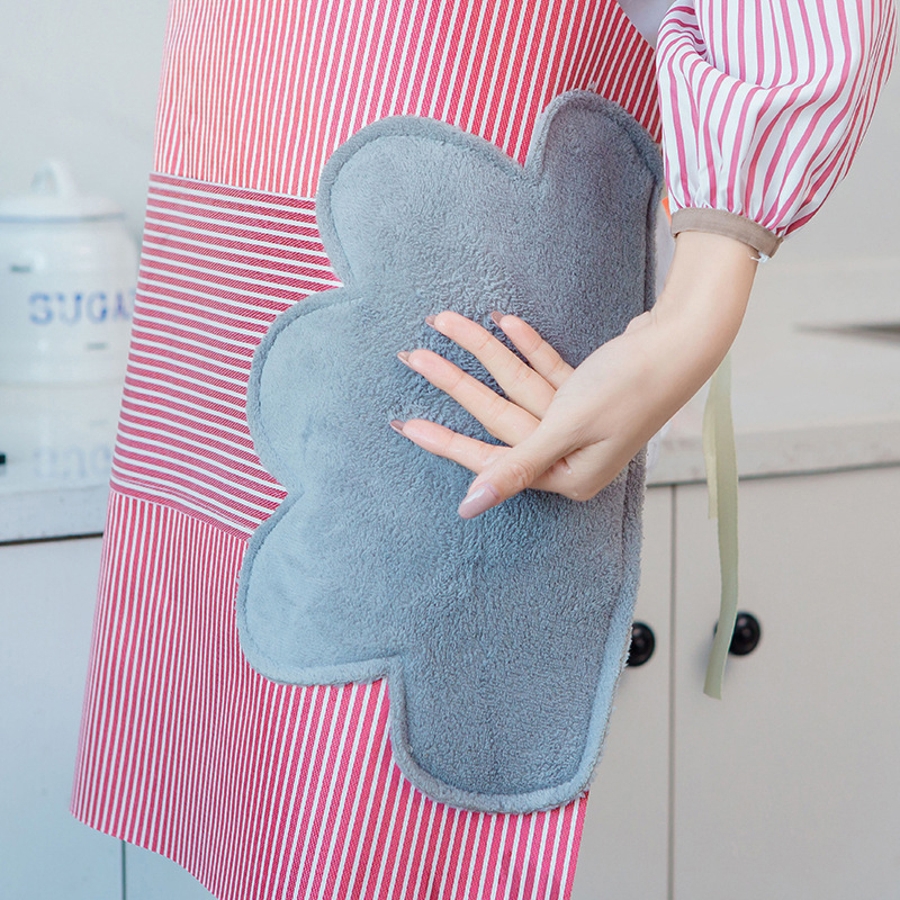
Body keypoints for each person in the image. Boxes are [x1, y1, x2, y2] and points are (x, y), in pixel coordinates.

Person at [71, 3, 897, 899]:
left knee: (370, 832)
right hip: (227, 260)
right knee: (245, 797)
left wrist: (701, 302)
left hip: (447, 284)